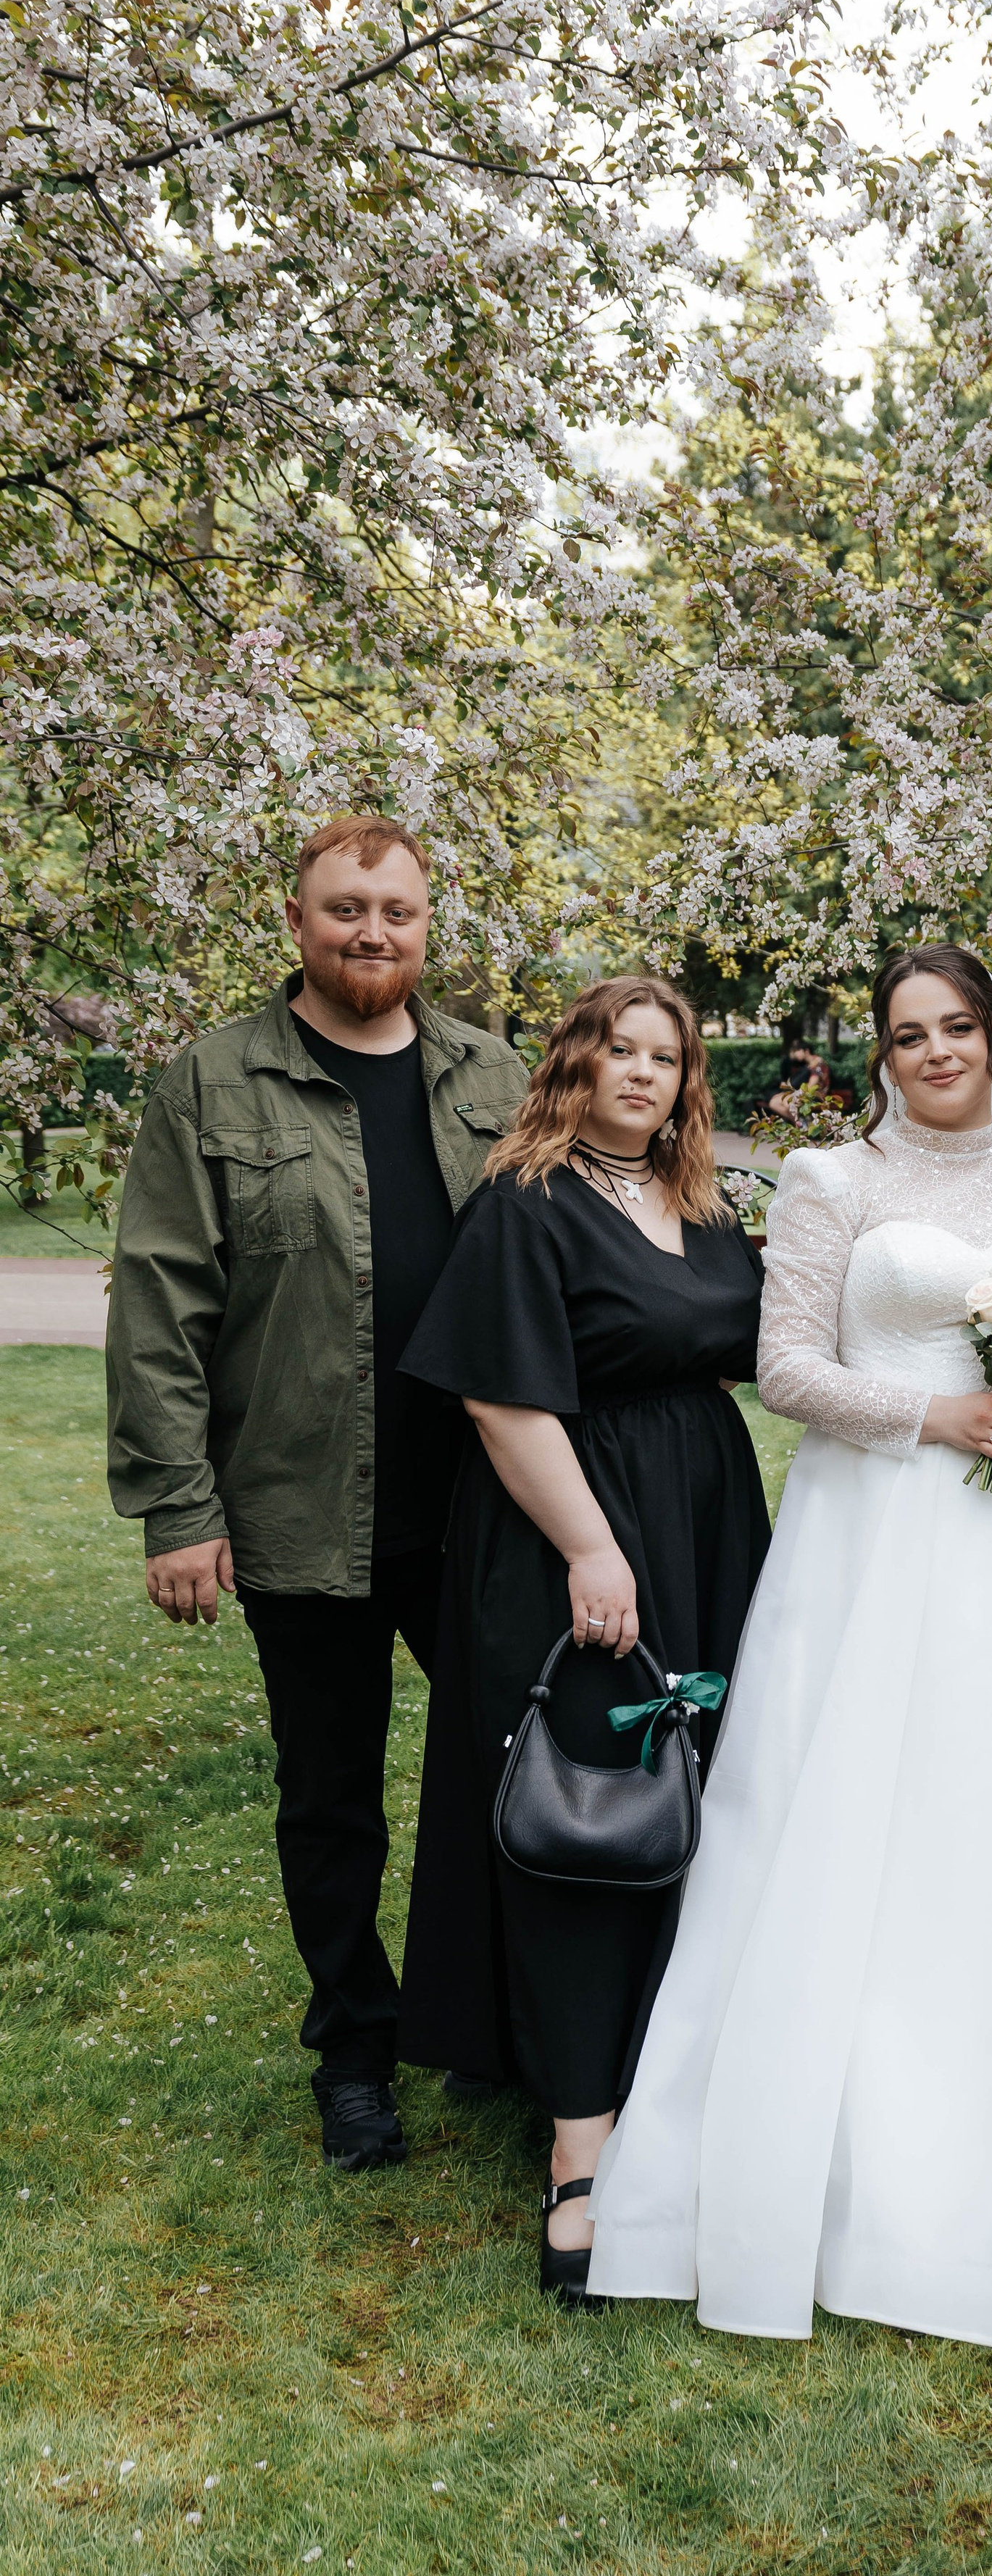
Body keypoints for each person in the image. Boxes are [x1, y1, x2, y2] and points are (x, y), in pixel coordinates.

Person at [583, 944, 992, 2352]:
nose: (936, 1053)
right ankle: (837, 2099)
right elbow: (786, 1368)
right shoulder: (828, 1181)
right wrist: (938, 1419)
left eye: (959, 1027)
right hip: (868, 1530)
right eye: (909, 1034)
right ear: (881, 1054)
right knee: (857, 1801)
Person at [106, 814, 529, 2169]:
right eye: (345, 908)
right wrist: (179, 1509)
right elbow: (161, 1304)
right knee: (333, 1796)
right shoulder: (213, 1083)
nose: (371, 933)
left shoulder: (494, 1075)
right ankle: (354, 2051)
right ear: (297, 921)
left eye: (397, 911)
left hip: (483, 1511)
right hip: (298, 1507)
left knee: (510, 1771)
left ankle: (498, 2027)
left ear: (427, 925)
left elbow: (559, 1268)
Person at [396, 976, 770, 2308]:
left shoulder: (704, 1204)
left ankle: (674, 2071)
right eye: (621, 1049)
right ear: (575, 1062)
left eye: (667, 1056)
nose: (644, 1073)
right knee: (588, 1809)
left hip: (705, 1522)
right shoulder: (526, 1201)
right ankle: (579, 2146)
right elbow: (502, 1402)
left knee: (696, 1793)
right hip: (573, 1532)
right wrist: (592, 1547)